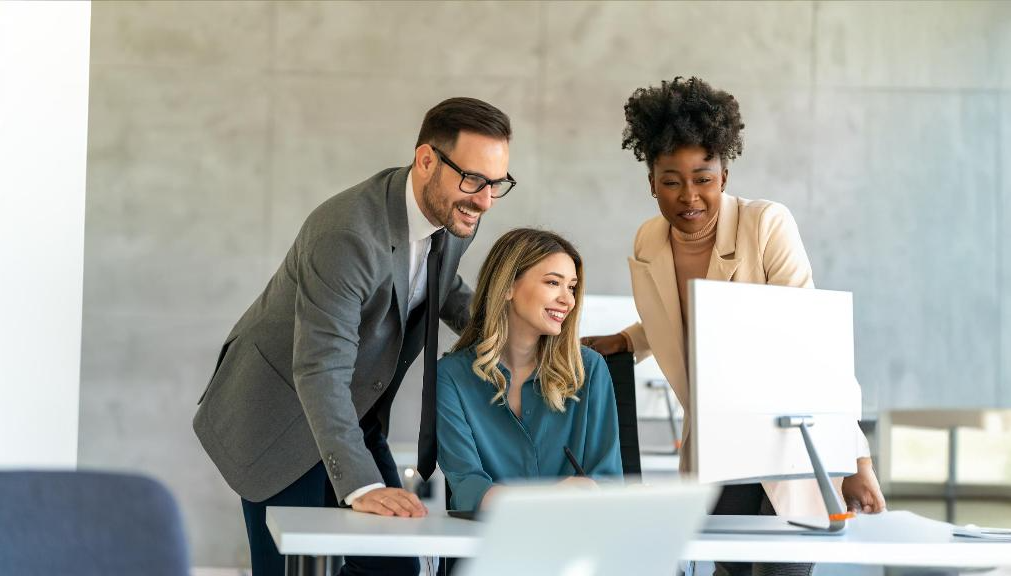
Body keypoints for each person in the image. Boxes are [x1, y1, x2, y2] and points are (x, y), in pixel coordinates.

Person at [192, 97, 518, 576]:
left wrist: (518, 335)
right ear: (427, 160)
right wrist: (362, 487)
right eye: (473, 179)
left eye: (496, 184)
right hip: (279, 415)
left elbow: (440, 286)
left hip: (352, 413)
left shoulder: (453, 213)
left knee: (394, 570)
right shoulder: (347, 234)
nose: (485, 200)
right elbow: (320, 367)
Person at [581, 78, 885, 576]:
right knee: (727, 570)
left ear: (724, 175)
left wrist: (856, 461)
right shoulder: (647, 241)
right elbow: (679, 314)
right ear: (651, 182)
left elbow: (812, 344)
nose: (689, 196)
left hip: (792, 441)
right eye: (671, 181)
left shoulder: (765, 225)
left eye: (702, 178)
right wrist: (630, 339)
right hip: (720, 443)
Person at [436, 228, 623, 513]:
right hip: (490, 538)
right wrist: (548, 497)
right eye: (553, 283)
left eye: (572, 287)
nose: (568, 300)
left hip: (576, 534)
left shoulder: (589, 369)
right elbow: (467, 489)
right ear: (507, 286)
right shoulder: (451, 376)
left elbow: (608, 483)